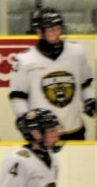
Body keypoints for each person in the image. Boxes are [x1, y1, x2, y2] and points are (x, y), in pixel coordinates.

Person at [9, 8, 95, 141]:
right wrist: (24, 118)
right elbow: (18, 96)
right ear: (39, 32)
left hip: (75, 129)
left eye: (58, 28)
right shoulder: (25, 60)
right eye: (50, 30)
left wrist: (90, 100)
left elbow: (86, 84)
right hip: (44, 134)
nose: (56, 33)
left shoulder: (76, 52)